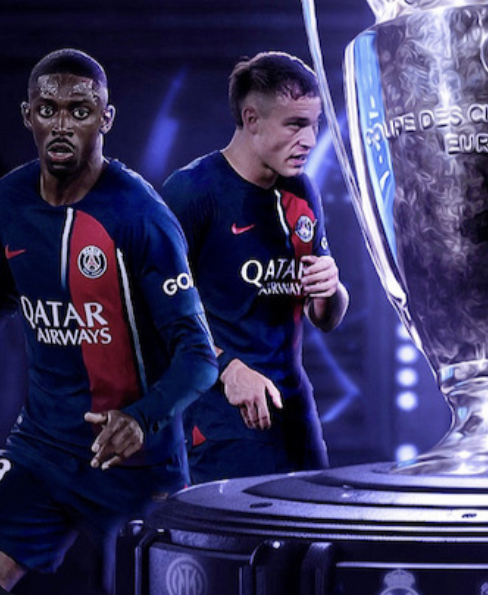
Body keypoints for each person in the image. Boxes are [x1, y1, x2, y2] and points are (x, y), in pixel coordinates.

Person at [0, 49, 217, 591]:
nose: (62, 125)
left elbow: (199, 357)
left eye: (80, 111)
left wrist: (140, 419)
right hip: (42, 451)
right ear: (27, 116)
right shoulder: (8, 202)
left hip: (137, 466)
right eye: (47, 110)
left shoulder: (141, 217)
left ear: (106, 119)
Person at [162, 51, 348, 484]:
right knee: (239, 530)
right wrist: (229, 370)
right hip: (222, 417)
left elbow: (325, 318)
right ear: (252, 119)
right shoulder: (192, 192)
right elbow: (152, 311)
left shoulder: (301, 190)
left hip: (297, 416)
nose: (310, 140)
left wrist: (331, 288)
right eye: (295, 125)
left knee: (311, 527)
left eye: (315, 124)